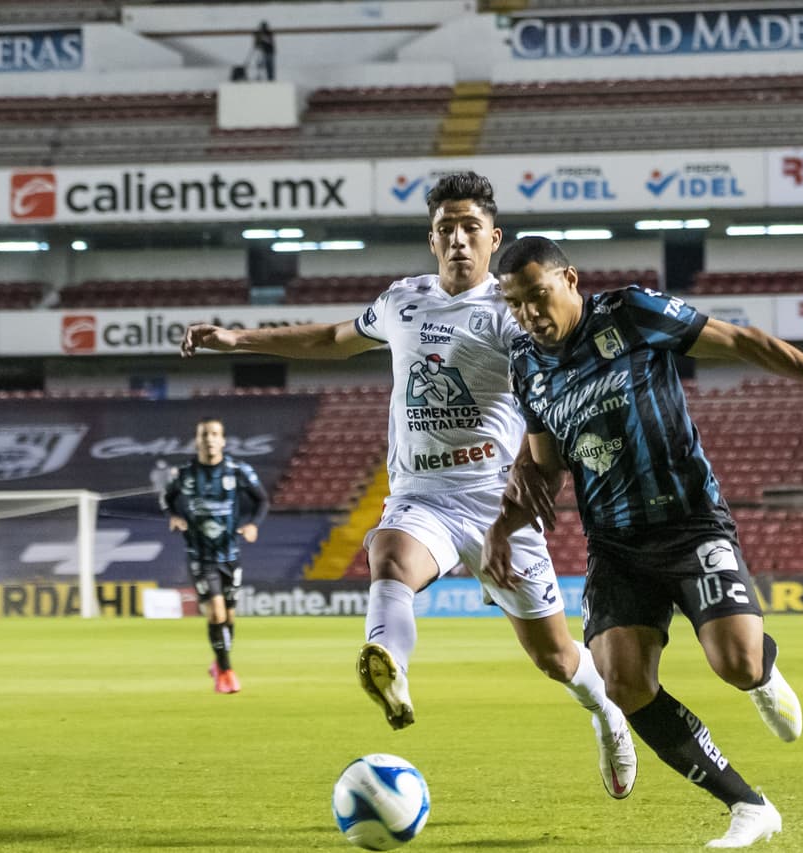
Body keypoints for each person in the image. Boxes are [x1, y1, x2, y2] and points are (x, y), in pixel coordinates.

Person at [180, 172, 637, 799]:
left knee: (556, 658)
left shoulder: (510, 315)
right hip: (422, 496)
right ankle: (387, 661)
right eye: (446, 227)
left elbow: (557, 385)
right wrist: (239, 336)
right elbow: (334, 338)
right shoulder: (402, 301)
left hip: (498, 504)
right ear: (431, 239)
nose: (457, 238)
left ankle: (607, 712)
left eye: (470, 227)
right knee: (388, 555)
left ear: (493, 237)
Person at [484, 236, 803, 848]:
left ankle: (762, 668)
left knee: (736, 663)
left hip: (688, 520)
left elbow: (741, 341)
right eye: (515, 304)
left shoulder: (629, 314)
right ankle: (748, 806)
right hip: (616, 546)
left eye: (538, 296)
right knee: (622, 682)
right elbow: (544, 466)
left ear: (570, 279)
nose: (529, 315)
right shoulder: (526, 364)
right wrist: (504, 520)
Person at [161, 417, 268, 694]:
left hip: (230, 553)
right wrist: (174, 517)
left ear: (222, 440)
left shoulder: (237, 470)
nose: (209, 438)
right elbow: (167, 498)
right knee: (216, 612)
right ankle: (226, 673)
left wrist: (253, 524)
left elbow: (262, 500)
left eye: (215, 434)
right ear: (197, 441)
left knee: (229, 618)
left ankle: (218, 662)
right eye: (204, 434)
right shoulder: (184, 474)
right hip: (200, 554)